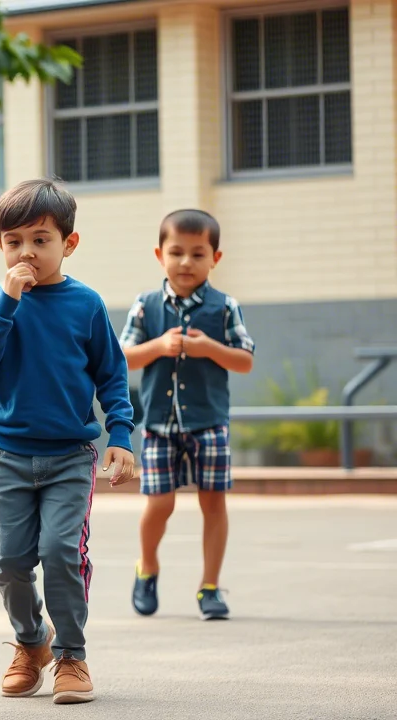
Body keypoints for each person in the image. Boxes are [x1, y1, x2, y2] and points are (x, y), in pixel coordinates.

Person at [0, 179, 136, 705]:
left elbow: (113, 376)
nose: (27, 252)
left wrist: (120, 435)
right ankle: (31, 642)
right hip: (7, 455)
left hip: (70, 457)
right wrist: (8, 303)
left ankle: (72, 657)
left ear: (68, 244)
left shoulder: (86, 304)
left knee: (61, 551)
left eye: (40, 239)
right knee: (10, 560)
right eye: (14, 241)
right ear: (0, 247)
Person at [120, 209, 254, 621]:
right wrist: (159, 346)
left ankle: (209, 587)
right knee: (158, 504)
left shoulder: (225, 307)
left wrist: (209, 347)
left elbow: (245, 360)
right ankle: (147, 566)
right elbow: (122, 356)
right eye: (176, 252)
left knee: (213, 503)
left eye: (198, 254)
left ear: (216, 258)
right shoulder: (145, 306)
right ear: (160, 255)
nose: (185, 262)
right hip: (160, 425)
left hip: (209, 423)